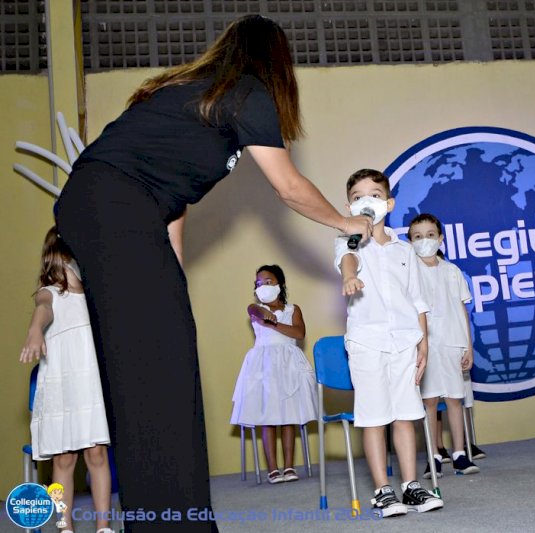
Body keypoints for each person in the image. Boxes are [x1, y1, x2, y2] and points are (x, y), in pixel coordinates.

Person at [54, 16, 371, 531]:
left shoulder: (194, 94)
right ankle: (171, 522)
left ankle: (172, 517)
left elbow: (170, 201)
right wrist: (345, 221)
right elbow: (287, 186)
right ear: (275, 62)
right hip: (112, 206)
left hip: (108, 208)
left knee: (162, 362)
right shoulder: (246, 92)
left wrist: (173, 280)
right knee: (154, 376)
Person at [336, 169, 444, 518]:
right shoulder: (347, 239)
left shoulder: (404, 250)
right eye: (358, 197)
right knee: (374, 417)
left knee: (406, 414)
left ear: (389, 202)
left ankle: (411, 486)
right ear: (349, 204)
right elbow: (347, 259)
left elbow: (417, 299)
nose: (367, 202)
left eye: (375, 195)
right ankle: (383, 490)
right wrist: (351, 276)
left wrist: (423, 341)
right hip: (367, 341)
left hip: (404, 341)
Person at [20, 227, 113, 533]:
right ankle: (64, 525)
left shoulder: (93, 297)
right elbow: (43, 308)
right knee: (64, 460)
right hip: (63, 383)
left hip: (89, 384)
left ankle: (103, 525)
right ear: (57, 260)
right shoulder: (49, 291)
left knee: (97, 453)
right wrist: (35, 329)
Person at [407, 213, 480, 478]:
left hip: (452, 342)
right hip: (423, 345)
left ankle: (460, 454)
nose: (424, 241)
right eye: (417, 237)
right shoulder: (408, 271)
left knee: (454, 399)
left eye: (429, 235)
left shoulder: (452, 271)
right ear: (409, 241)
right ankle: (434, 455)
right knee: (428, 401)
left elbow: (462, 309)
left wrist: (468, 347)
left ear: (440, 239)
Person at [230, 264, 317, 484]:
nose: (263, 286)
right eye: (259, 283)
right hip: (264, 365)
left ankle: (289, 466)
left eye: (268, 281)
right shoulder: (256, 308)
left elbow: (298, 332)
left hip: (288, 364)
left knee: (288, 416)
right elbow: (254, 311)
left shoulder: (292, 309)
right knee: (268, 417)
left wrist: (275, 322)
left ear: (279, 284)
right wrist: (267, 317)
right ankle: (272, 469)